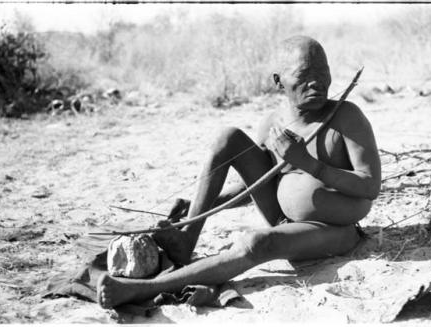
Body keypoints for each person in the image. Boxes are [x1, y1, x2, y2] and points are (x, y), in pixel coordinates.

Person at [97, 35, 381, 308]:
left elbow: (370, 187)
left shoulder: (346, 117)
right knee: (228, 137)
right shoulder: (273, 123)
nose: (317, 82)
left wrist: (308, 163)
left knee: (257, 243)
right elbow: (258, 183)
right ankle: (187, 239)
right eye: (305, 73)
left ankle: (139, 290)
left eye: (323, 71)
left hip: (332, 229)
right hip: (282, 218)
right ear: (278, 81)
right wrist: (206, 205)